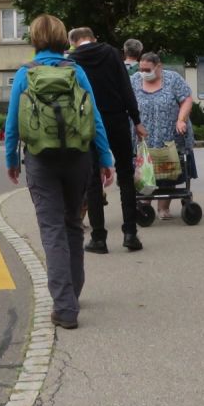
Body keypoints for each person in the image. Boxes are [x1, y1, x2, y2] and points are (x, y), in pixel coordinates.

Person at [5, 14, 115, 330]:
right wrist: (105, 157)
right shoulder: (75, 71)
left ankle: (64, 307)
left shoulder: (26, 74)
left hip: (40, 160)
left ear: (35, 39)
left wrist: (11, 159)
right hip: (79, 158)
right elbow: (94, 119)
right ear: (62, 39)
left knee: (51, 228)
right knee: (72, 225)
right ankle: (73, 294)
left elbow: (12, 122)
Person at [69, 27, 147, 253]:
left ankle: (99, 238)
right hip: (117, 120)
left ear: (73, 42)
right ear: (94, 38)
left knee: (93, 180)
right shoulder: (112, 53)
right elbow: (125, 87)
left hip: (89, 123)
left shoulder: (72, 60)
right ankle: (130, 233)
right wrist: (136, 120)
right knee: (125, 174)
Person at [130, 52, 194, 219]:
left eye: (147, 69)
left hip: (169, 134)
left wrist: (181, 120)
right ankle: (145, 205)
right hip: (143, 136)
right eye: (141, 68)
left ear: (159, 66)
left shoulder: (173, 79)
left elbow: (186, 99)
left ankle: (163, 208)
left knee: (168, 172)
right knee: (144, 171)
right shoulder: (135, 80)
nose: (143, 72)